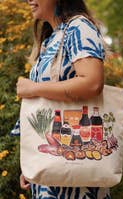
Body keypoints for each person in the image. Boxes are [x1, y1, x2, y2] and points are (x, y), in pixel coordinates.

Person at [17, 0, 110, 198]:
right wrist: (32, 161)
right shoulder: (51, 37)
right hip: (52, 167)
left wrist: (34, 88)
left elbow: (92, 82)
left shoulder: (78, 28)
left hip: (75, 166)